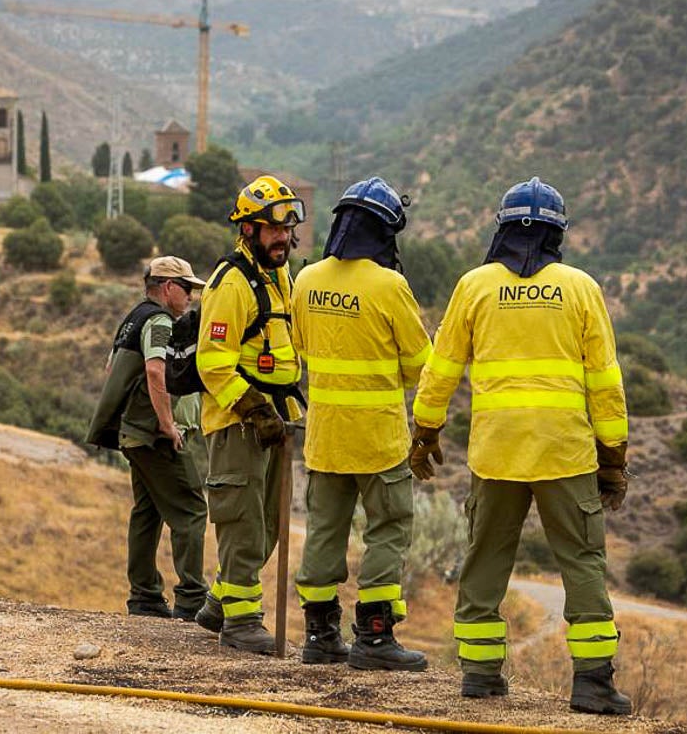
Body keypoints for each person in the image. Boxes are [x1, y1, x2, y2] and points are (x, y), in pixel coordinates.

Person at [410, 177, 632, 715]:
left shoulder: (475, 286)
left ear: (501, 229)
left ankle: (481, 677)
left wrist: (425, 431)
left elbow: (440, 370)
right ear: (558, 233)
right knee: (581, 561)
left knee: (485, 559)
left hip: (497, 453)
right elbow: (606, 381)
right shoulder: (581, 288)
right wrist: (614, 458)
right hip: (566, 453)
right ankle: (594, 685)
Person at [291, 177, 433, 670]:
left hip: (325, 436)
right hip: (378, 439)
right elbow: (421, 366)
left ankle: (319, 635)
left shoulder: (305, 279)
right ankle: (375, 638)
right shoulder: (390, 286)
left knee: (324, 529)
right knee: (388, 528)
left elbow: (302, 348)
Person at [193, 175, 305, 654]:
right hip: (240, 422)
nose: (281, 238)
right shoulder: (230, 283)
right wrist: (253, 407)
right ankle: (241, 622)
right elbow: (212, 360)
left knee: (270, 526)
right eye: (271, 230)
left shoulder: (280, 277)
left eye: (285, 229)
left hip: (276, 421)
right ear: (249, 231)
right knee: (242, 521)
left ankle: (220, 602)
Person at [86, 255, 210, 621]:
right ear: (168, 287)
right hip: (153, 435)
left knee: (147, 512)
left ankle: (144, 596)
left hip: (132, 433)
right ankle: (191, 597)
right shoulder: (158, 321)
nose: (190, 297)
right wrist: (168, 424)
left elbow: (112, 370)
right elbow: (156, 372)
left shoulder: (132, 318)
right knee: (191, 509)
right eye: (187, 289)